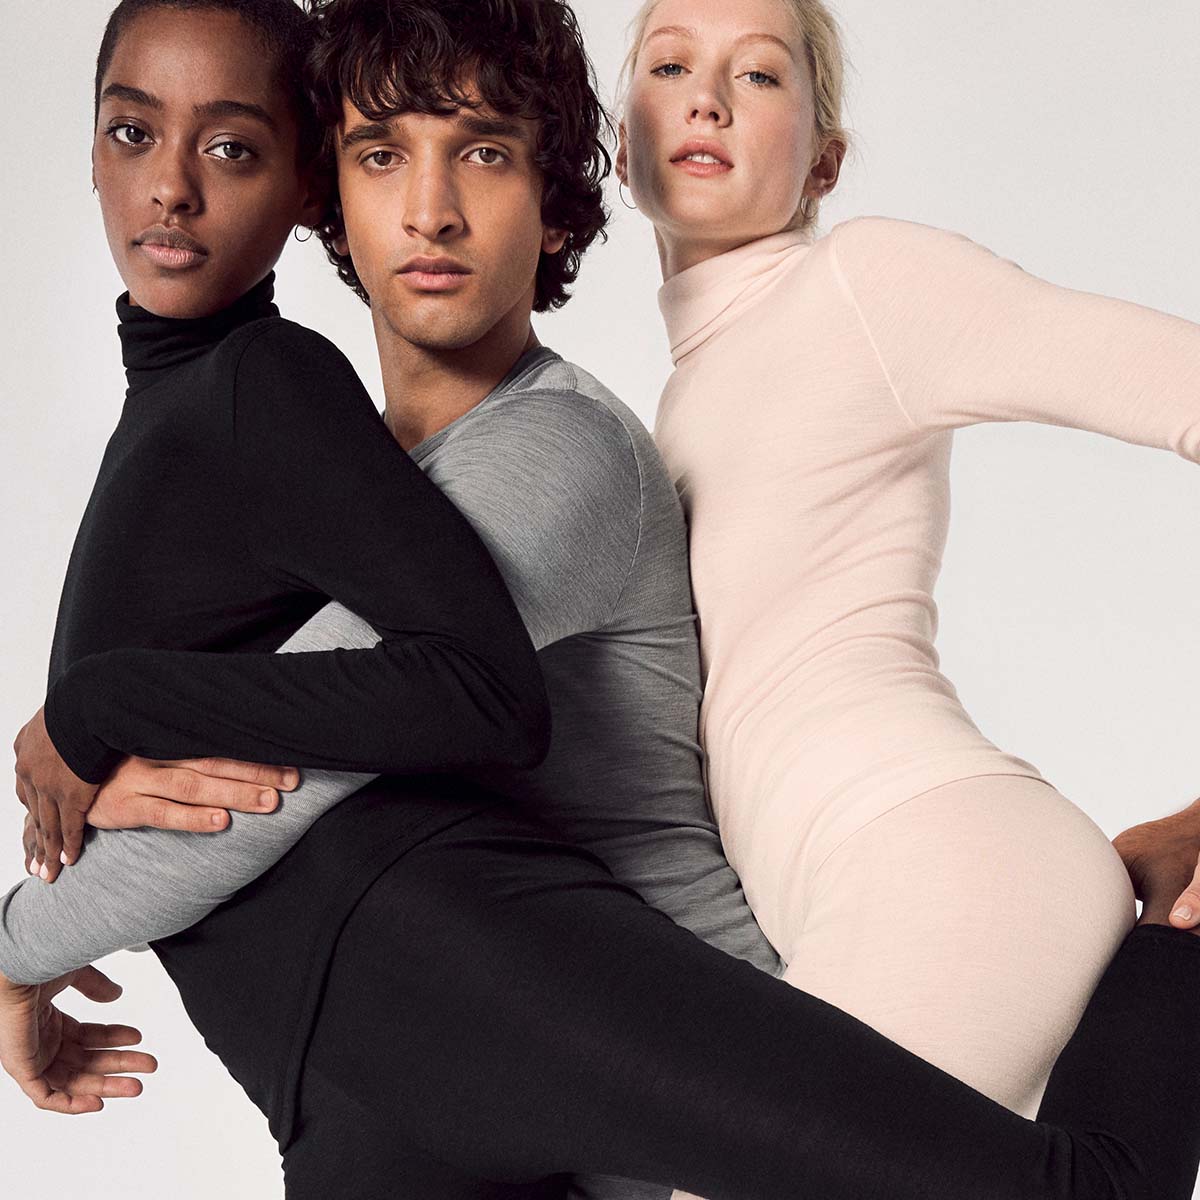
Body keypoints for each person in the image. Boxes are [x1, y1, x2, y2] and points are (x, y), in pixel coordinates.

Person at [4, 2, 1200, 1199]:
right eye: (381, 155)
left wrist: (25, 932)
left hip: (753, 975)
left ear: (560, 201)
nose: (429, 211)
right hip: (593, 1040)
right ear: (332, 196)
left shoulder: (560, 451)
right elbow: (271, 738)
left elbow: (275, 776)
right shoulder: (400, 479)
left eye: (483, 153)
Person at [614, 0, 1200, 1189]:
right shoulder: (673, 404)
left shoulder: (863, 285)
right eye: (670, 65)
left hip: (948, 866)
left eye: (758, 75)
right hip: (860, 898)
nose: (706, 98)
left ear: (824, 160)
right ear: (622, 141)